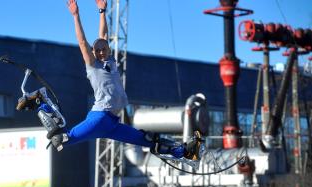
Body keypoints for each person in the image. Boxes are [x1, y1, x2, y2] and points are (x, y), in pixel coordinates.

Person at [25, 0, 203, 164]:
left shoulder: (110, 61)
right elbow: (81, 42)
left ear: (108, 49)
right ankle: (41, 103)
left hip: (112, 123)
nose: (101, 52)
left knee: (147, 139)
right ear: (93, 52)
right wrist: (76, 16)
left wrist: (102, 11)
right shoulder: (93, 66)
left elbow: (103, 34)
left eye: (104, 49)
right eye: (98, 50)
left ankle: (185, 152)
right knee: (61, 140)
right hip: (100, 118)